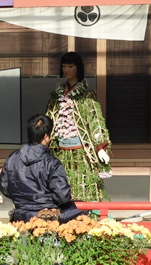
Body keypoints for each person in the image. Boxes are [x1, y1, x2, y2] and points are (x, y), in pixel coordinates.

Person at [45, 52, 112, 202]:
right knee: (61, 185)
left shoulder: (87, 95)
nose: (66, 70)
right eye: (63, 66)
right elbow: (49, 119)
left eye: (70, 66)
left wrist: (100, 147)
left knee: (84, 185)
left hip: (82, 151)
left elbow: (95, 120)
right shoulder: (56, 96)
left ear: (78, 68)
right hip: (59, 151)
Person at [0, 114, 88, 223]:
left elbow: (4, 188)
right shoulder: (52, 163)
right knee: (85, 207)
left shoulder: (12, 158)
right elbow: (62, 197)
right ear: (46, 137)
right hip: (48, 215)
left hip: (21, 213)